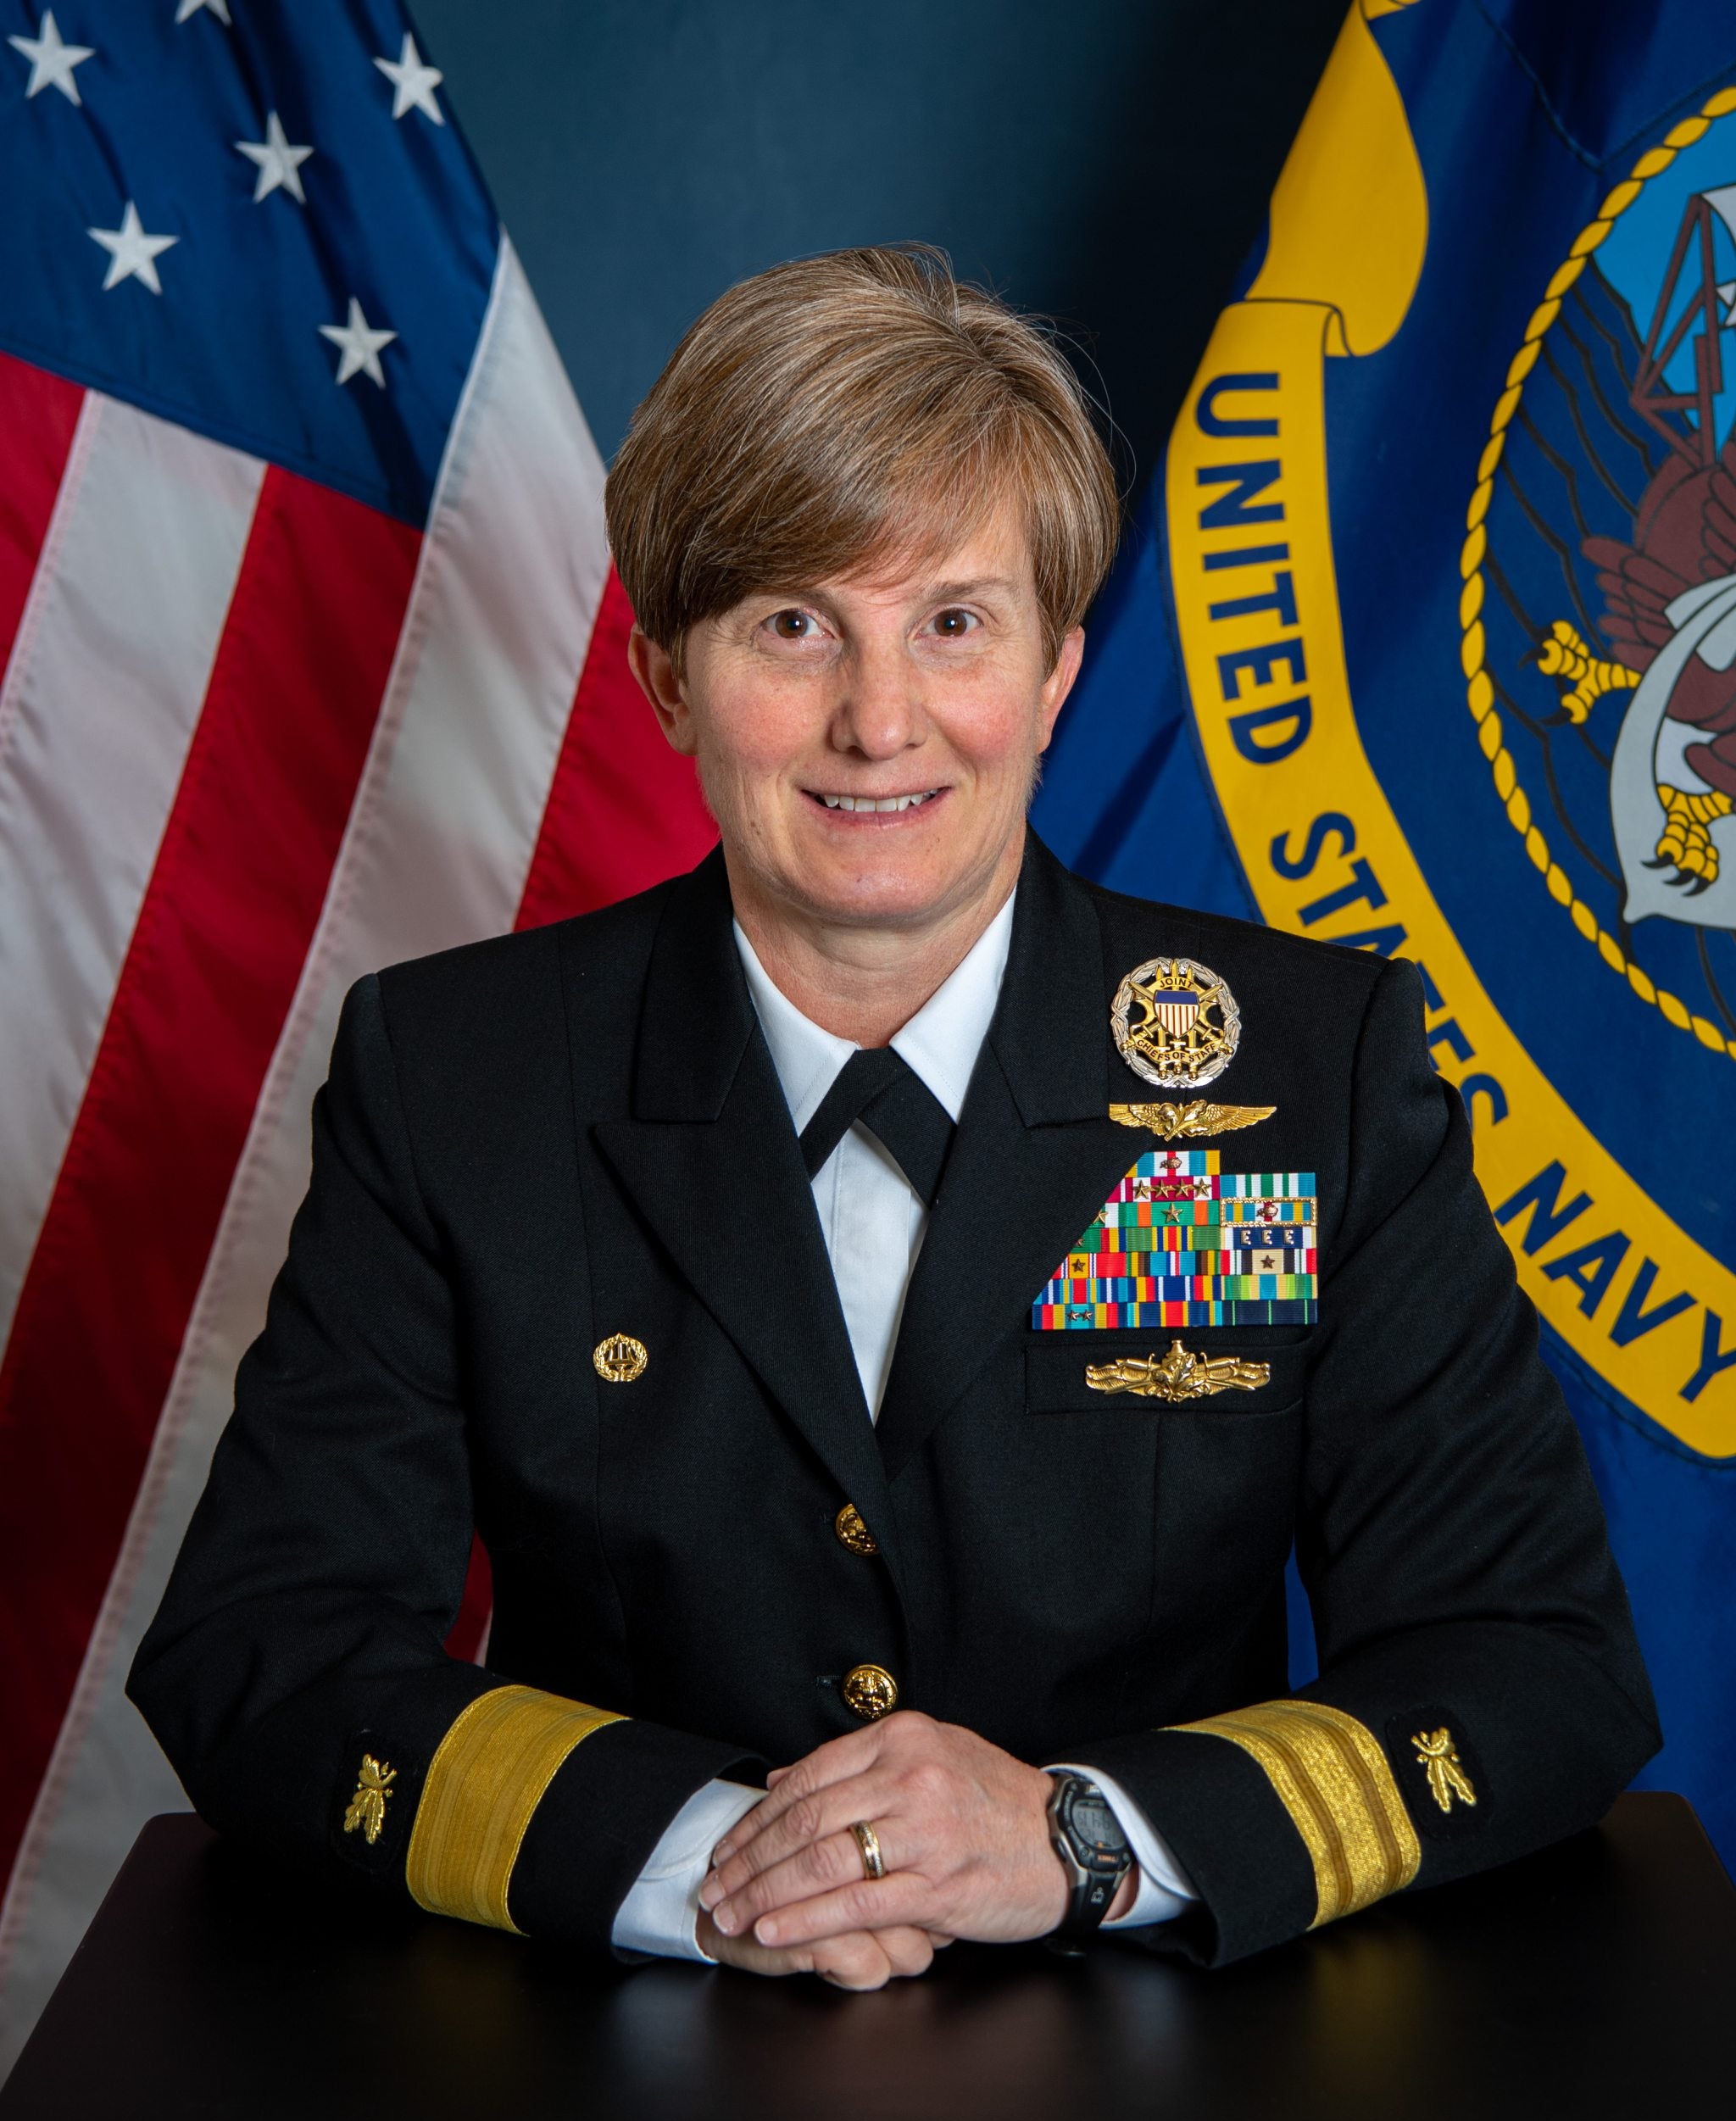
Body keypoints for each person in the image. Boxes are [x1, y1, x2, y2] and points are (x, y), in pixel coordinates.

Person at [130, 246, 1660, 1992]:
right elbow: (267, 1642)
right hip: (631, 2030)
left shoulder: (1312, 1070)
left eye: (954, 621)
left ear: (1058, 669)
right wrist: (729, 1860)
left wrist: (1079, 1838)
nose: (878, 719)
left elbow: (1533, 1660)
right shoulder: (458, 1076)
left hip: (1176, 2044)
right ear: (665, 680)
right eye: (792, 624)